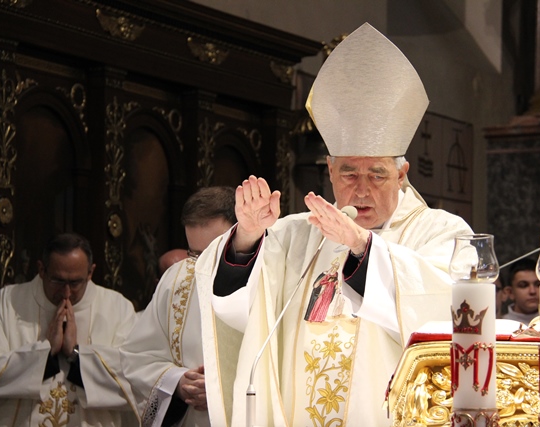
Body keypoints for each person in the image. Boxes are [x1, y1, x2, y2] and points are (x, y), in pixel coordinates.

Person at [193, 23, 474, 426]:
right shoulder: (297, 233)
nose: (361, 189)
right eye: (348, 173)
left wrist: (363, 249)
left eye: (377, 174)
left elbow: (449, 314)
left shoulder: (443, 233)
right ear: (329, 170)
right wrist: (248, 235)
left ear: (402, 174)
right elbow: (236, 310)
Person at [0, 232, 138, 426]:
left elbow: (135, 380)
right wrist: (46, 354)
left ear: (90, 273)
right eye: (58, 281)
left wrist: (76, 355)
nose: (66, 292)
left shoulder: (118, 308)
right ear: (41, 269)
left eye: (75, 282)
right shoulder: (5, 303)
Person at [120, 186, 236, 426]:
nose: (202, 266)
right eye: (195, 254)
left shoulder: (274, 278)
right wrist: (178, 383)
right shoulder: (177, 279)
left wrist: (225, 391)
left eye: (212, 252)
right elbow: (137, 357)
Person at [501, 258, 540, 324]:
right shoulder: (500, 325)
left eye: (538, 284)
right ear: (510, 292)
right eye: (523, 285)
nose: (532, 291)